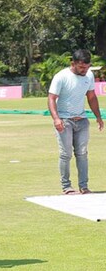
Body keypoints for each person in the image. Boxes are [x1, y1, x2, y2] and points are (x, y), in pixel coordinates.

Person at [47, 49, 104, 194]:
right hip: (65, 120)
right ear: (73, 63)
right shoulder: (61, 77)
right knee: (66, 154)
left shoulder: (89, 75)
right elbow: (51, 98)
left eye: (87, 67)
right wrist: (56, 119)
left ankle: (84, 186)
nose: (84, 70)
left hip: (82, 120)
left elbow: (91, 96)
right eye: (81, 67)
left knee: (82, 153)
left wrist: (98, 116)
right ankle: (66, 186)